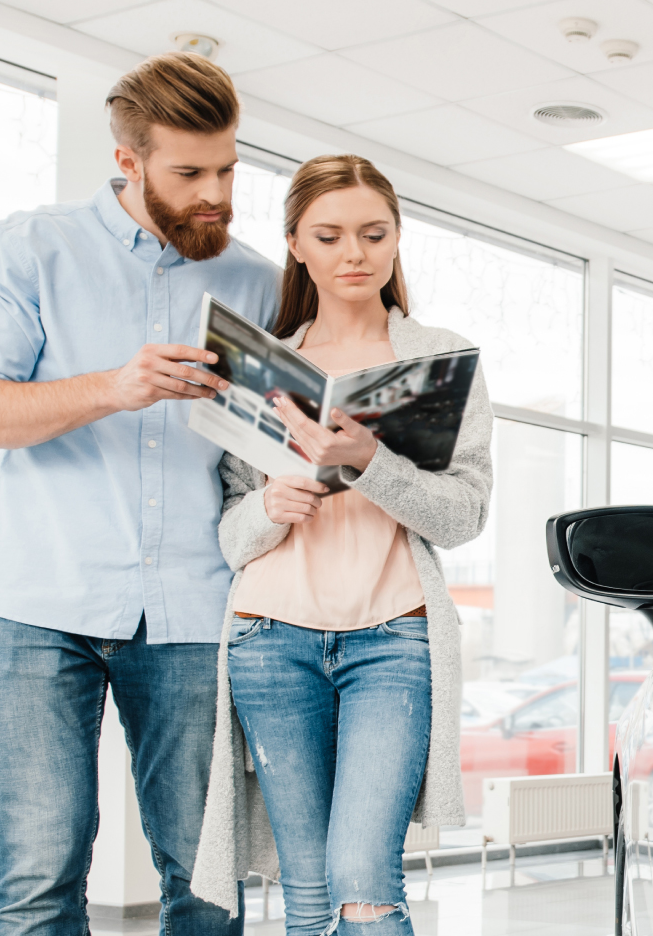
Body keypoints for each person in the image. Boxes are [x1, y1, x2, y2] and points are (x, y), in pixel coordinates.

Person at [0, 52, 279, 936]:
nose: (216, 194)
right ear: (128, 161)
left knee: (206, 879)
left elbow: (269, 451)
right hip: (35, 603)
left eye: (228, 168)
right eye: (189, 172)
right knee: (39, 877)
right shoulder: (29, 246)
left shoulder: (255, 283)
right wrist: (112, 388)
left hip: (197, 608)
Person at [188, 155, 492, 936]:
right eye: (329, 235)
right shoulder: (258, 368)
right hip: (268, 638)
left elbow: (462, 516)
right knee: (310, 895)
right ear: (296, 244)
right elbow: (230, 531)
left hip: (394, 639)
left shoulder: (437, 361)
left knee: (364, 881)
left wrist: (366, 461)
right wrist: (268, 505)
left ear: (396, 242)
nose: (353, 253)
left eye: (373, 233)